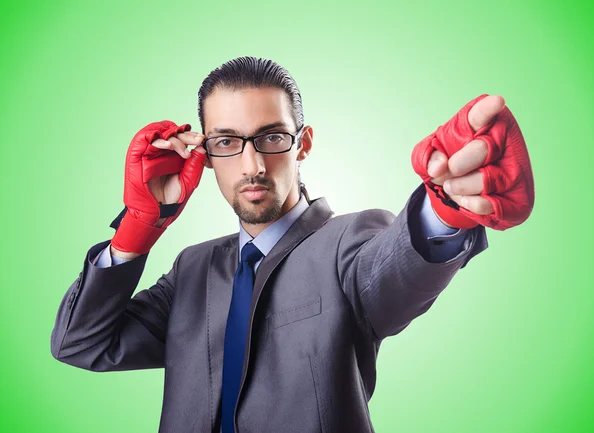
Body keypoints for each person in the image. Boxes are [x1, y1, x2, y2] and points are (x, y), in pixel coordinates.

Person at [50, 56, 534, 433]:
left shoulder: (349, 242)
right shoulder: (191, 270)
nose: (252, 165)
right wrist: (140, 225)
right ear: (205, 154)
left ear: (303, 144)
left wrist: (445, 206)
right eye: (226, 143)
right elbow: (81, 343)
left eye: (272, 138)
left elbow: (394, 269)